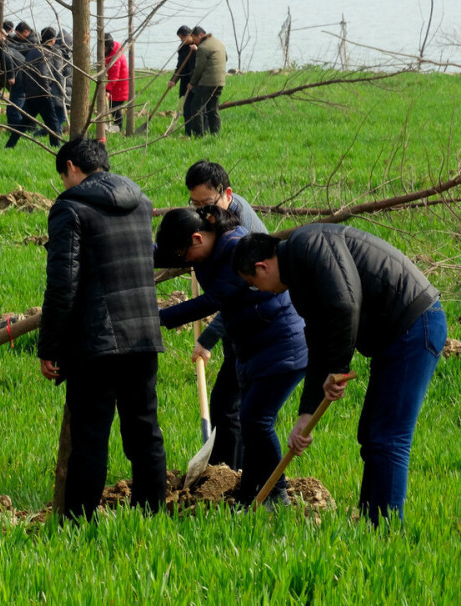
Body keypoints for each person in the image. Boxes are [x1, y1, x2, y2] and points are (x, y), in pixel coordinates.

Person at [232, 226, 447, 525]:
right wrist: (306, 414)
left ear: (262, 267)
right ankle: (372, 522)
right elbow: (318, 344)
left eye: (253, 284)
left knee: (387, 437)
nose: (260, 291)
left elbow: (345, 304)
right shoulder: (300, 281)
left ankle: (384, 531)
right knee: (371, 435)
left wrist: (338, 370)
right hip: (396, 336)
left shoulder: (309, 245)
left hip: (415, 324)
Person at [38, 138, 166, 519]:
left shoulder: (70, 208)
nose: (63, 184)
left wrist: (49, 346)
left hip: (95, 341)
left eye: (63, 175)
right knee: (144, 432)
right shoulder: (142, 202)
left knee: (90, 438)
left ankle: (78, 523)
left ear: (73, 167)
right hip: (143, 334)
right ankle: (151, 513)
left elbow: (63, 283)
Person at [154, 206, 307, 507]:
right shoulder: (209, 246)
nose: (184, 263)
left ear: (197, 239)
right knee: (250, 423)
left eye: (184, 255)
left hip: (281, 343)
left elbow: (214, 300)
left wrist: (154, 316)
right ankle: (247, 493)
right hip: (251, 347)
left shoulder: (235, 248)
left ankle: (278, 493)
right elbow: (164, 254)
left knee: (257, 421)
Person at [180, 159, 268, 470]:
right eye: (194, 204)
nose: (201, 212)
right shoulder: (212, 216)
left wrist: (207, 338)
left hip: (260, 321)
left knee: (231, 406)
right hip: (241, 319)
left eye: (206, 204)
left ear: (226, 194)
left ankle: (228, 475)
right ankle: (225, 471)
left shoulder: (239, 234)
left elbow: (232, 296)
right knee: (230, 405)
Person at [8, 26, 61, 147]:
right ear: (52, 40)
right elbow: (43, 74)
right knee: (52, 123)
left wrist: (27, 89)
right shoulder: (46, 53)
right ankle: (56, 147)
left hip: (31, 93)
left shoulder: (33, 51)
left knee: (23, 123)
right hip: (42, 94)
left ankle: (10, 145)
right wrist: (47, 90)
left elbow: (25, 72)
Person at [187, 26, 226, 137]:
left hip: (207, 83)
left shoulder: (203, 48)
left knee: (196, 107)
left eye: (194, 39)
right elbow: (226, 58)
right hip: (220, 82)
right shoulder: (219, 43)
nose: (194, 42)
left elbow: (199, 68)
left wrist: (192, 83)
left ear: (200, 35)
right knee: (213, 108)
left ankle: (198, 135)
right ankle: (215, 134)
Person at [1, 22, 36, 148]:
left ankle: (16, 130)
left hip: (26, 77)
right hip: (26, 77)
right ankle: (26, 129)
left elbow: (20, 47)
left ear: (26, 32)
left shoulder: (33, 42)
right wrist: (8, 36)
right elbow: (17, 42)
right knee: (25, 107)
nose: (17, 36)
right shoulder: (27, 38)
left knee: (16, 107)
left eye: (18, 34)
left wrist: (6, 41)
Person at [168, 25, 198, 136]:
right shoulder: (182, 48)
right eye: (180, 39)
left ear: (190, 35)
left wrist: (196, 50)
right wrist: (173, 80)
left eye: (183, 38)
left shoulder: (198, 46)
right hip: (186, 82)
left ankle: (199, 132)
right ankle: (188, 132)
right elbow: (180, 66)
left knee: (197, 109)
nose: (182, 41)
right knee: (187, 109)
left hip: (197, 82)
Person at [104, 33, 130, 131]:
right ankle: (116, 127)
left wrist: (107, 89)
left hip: (120, 86)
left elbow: (115, 76)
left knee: (115, 108)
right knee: (113, 107)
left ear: (108, 46)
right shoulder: (110, 53)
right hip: (116, 85)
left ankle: (119, 127)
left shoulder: (115, 56)